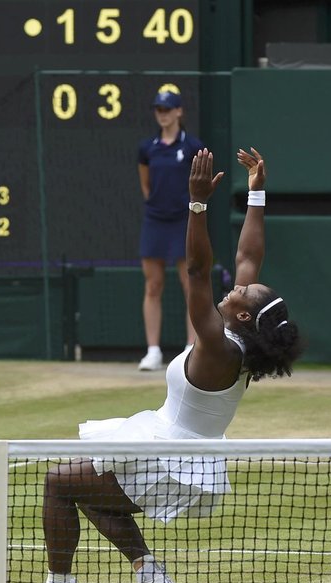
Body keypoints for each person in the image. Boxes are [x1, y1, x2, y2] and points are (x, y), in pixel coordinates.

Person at [7, 148, 304, 583]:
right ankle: (150, 576)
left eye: (243, 291)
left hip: (169, 457)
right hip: (176, 450)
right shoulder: (238, 337)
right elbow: (249, 253)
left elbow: (198, 271)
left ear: (243, 314)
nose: (238, 284)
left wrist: (197, 203)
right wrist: (257, 192)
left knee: (59, 483)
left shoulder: (217, 346)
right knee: (87, 488)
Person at [136, 89, 203, 371]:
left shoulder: (192, 147)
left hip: (183, 221)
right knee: (153, 285)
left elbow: (200, 184)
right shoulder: (147, 148)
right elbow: (146, 185)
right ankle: (153, 351)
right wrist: (157, 206)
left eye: (167, 109)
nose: (162, 114)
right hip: (155, 220)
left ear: (179, 112)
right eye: (158, 110)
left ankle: (191, 349)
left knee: (190, 285)